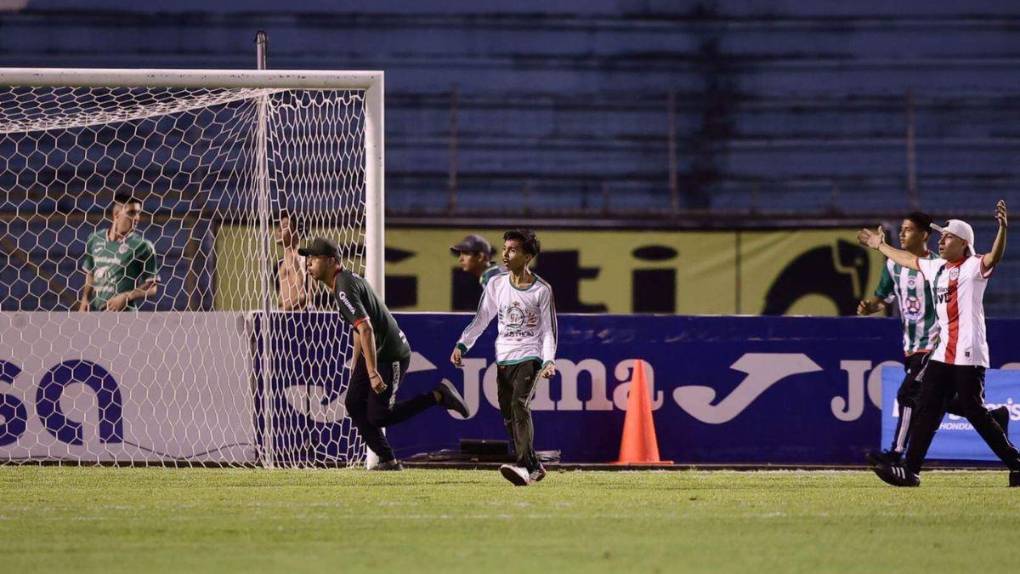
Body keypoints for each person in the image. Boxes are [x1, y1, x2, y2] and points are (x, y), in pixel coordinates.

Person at [858, 200, 1020, 487]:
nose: (942, 241)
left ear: (963, 243)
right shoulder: (938, 268)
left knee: (973, 410)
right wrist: (879, 245)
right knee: (928, 406)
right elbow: (907, 260)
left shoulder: (972, 266)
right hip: (943, 351)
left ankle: (1016, 462)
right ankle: (910, 470)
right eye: (941, 237)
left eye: (948, 237)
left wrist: (1002, 229)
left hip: (969, 351)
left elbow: (994, 257)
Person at [300, 237, 469, 470]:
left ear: (331, 261)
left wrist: (371, 371)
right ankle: (388, 460)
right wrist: (357, 363)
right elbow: (359, 329)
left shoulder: (343, 288)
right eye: (307, 258)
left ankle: (438, 396)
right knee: (353, 403)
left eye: (314, 258)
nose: (308, 263)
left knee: (380, 417)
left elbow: (366, 328)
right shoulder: (345, 282)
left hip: (391, 354)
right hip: (376, 351)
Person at [450, 229, 558, 486]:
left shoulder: (542, 290)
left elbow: (548, 330)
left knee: (520, 405)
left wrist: (549, 360)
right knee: (508, 412)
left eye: (512, 250)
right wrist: (462, 345)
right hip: (504, 358)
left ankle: (522, 467)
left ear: (528, 256)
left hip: (530, 356)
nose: (505, 255)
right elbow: (482, 319)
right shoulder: (496, 284)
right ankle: (533, 465)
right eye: (505, 249)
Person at [79, 192, 159, 311]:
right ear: (116, 214)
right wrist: (85, 299)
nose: (137, 218)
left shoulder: (143, 246)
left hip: (126, 317)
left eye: (138, 213)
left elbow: (152, 287)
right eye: (131, 213)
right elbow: (90, 274)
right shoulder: (95, 239)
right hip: (96, 315)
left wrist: (126, 296)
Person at [275, 210, 307, 311]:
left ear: (295, 232)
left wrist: (282, 311)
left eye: (284, 226)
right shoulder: (290, 257)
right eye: (279, 226)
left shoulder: (293, 257)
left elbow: (301, 296)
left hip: (292, 319)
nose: (279, 231)